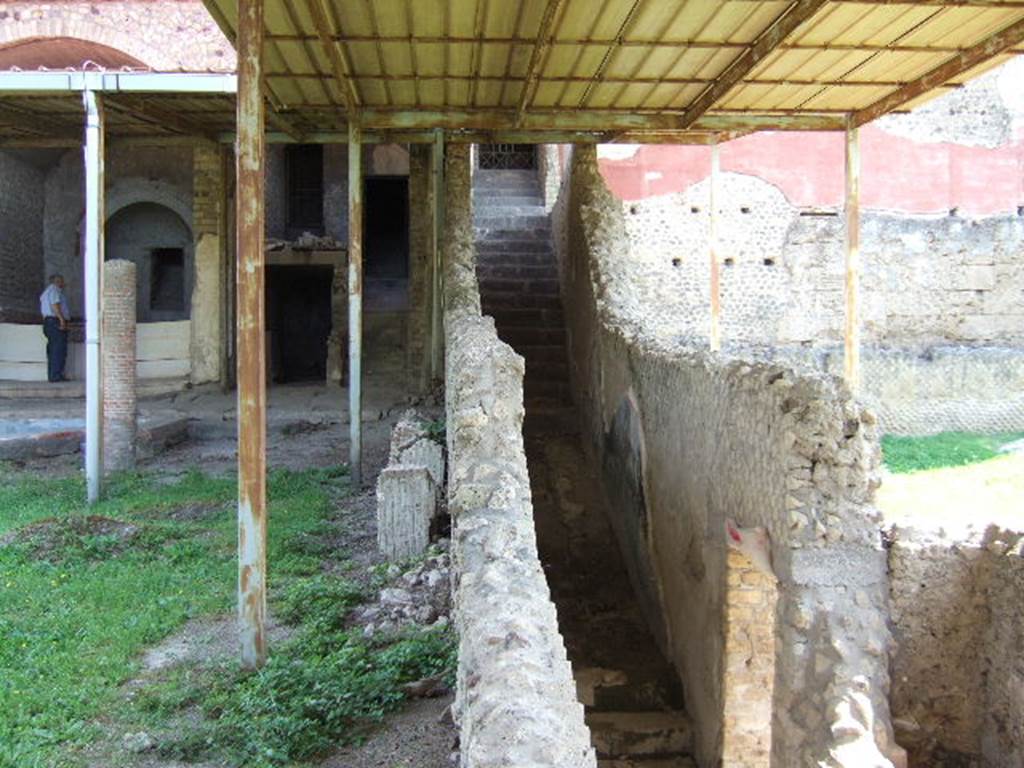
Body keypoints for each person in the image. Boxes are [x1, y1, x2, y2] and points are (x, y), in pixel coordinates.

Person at [40, 273, 70, 382]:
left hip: (49, 322)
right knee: (58, 350)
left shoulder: (47, 292)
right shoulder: (54, 290)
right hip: (55, 322)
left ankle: (54, 375)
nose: (63, 283)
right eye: (61, 280)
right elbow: (55, 305)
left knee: (53, 350)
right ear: (56, 281)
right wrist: (62, 320)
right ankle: (56, 376)